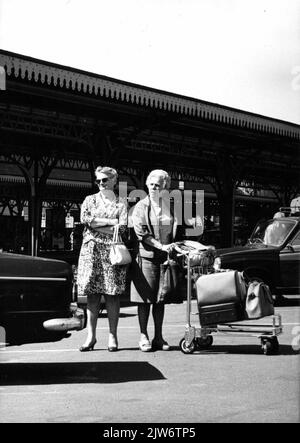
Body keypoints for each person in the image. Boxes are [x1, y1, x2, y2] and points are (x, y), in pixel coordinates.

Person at [130, 169, 184, 352]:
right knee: (145, 299)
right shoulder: (140, 207)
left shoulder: (171, 208)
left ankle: (158, 337)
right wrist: (160, 246)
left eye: (158, 185)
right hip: (146, 258)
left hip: (165, 259)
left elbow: (177, 232)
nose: (154, 187)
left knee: (161, 300)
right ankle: (143, 336)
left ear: (165, 187)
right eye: (151, 184)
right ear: (147, 185)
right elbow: (141, 233)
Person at [77, 166, 128, 352]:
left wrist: (98, 224)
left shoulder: (122, 203)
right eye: (97, 181)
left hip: (113, 252)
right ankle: (91, 336)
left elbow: (122, 228)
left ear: (114, 180)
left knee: (112, 295)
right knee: (92, 296)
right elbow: (86, 220)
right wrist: (111, 222)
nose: (100, 183)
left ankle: (113, 336)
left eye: (104, 180)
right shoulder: (89, 200)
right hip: (92, 252)